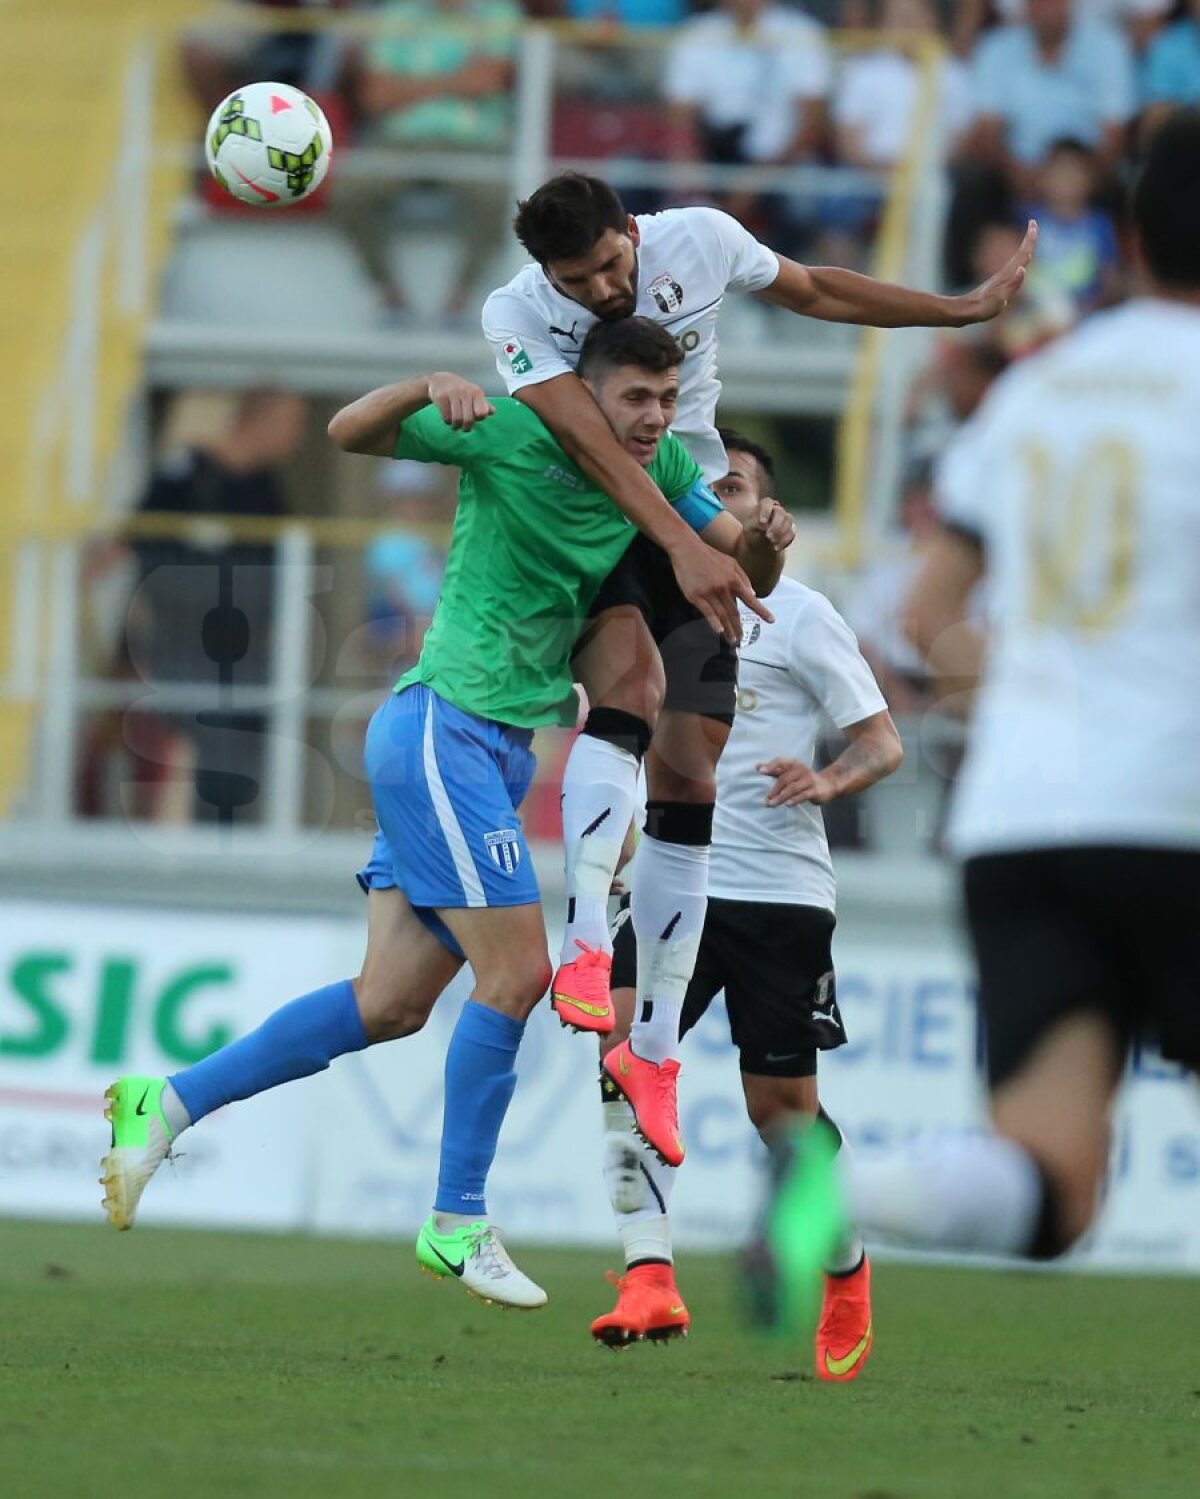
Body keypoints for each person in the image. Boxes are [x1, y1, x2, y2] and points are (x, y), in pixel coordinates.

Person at [99, 317, 787, 1310]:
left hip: (493, 748)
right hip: (442, 729)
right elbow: (346, 430)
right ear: (587, 392)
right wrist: (423, 385)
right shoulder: (510, 430)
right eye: (635, 397)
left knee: (389, 1001)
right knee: (517, 975)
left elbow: (741, 570)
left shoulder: (670, 462)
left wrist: (760, 544)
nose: (655, 416)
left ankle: (162, 1101)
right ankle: (456, 1216)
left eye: (667, 397)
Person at [748, 108, 1200, 1332]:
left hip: (1028, 819)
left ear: (1130, 243)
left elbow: (927, 610)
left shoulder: (1041, 386)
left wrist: (1057, 704)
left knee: (1050, 1182)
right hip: (1178, 811)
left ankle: (840, 1185)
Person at [482, 170, 1034, 1166]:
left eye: (611, 264)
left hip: (777, 872)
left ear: (630, 230)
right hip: (593, 524)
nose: (604, 289)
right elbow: (595, 452)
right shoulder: (519, 314)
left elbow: (816, 288)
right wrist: (694, 548)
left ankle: (816, 1241)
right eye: (579, 279)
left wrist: (952, 312)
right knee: (626, 699)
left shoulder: (697, 241)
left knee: (690, 774)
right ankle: (586, 946)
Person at [590, 430, 902, 1383]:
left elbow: (881, 740)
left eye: (735, 486)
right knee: (619, 1056)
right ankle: (648, 1271)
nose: (719, 497)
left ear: (768, 515)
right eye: (706, 484)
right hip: (674, 879)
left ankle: (843, 1267)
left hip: (778, 897)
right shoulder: (651, 600)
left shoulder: (803, 616)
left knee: (783, 1115)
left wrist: (827, 780)